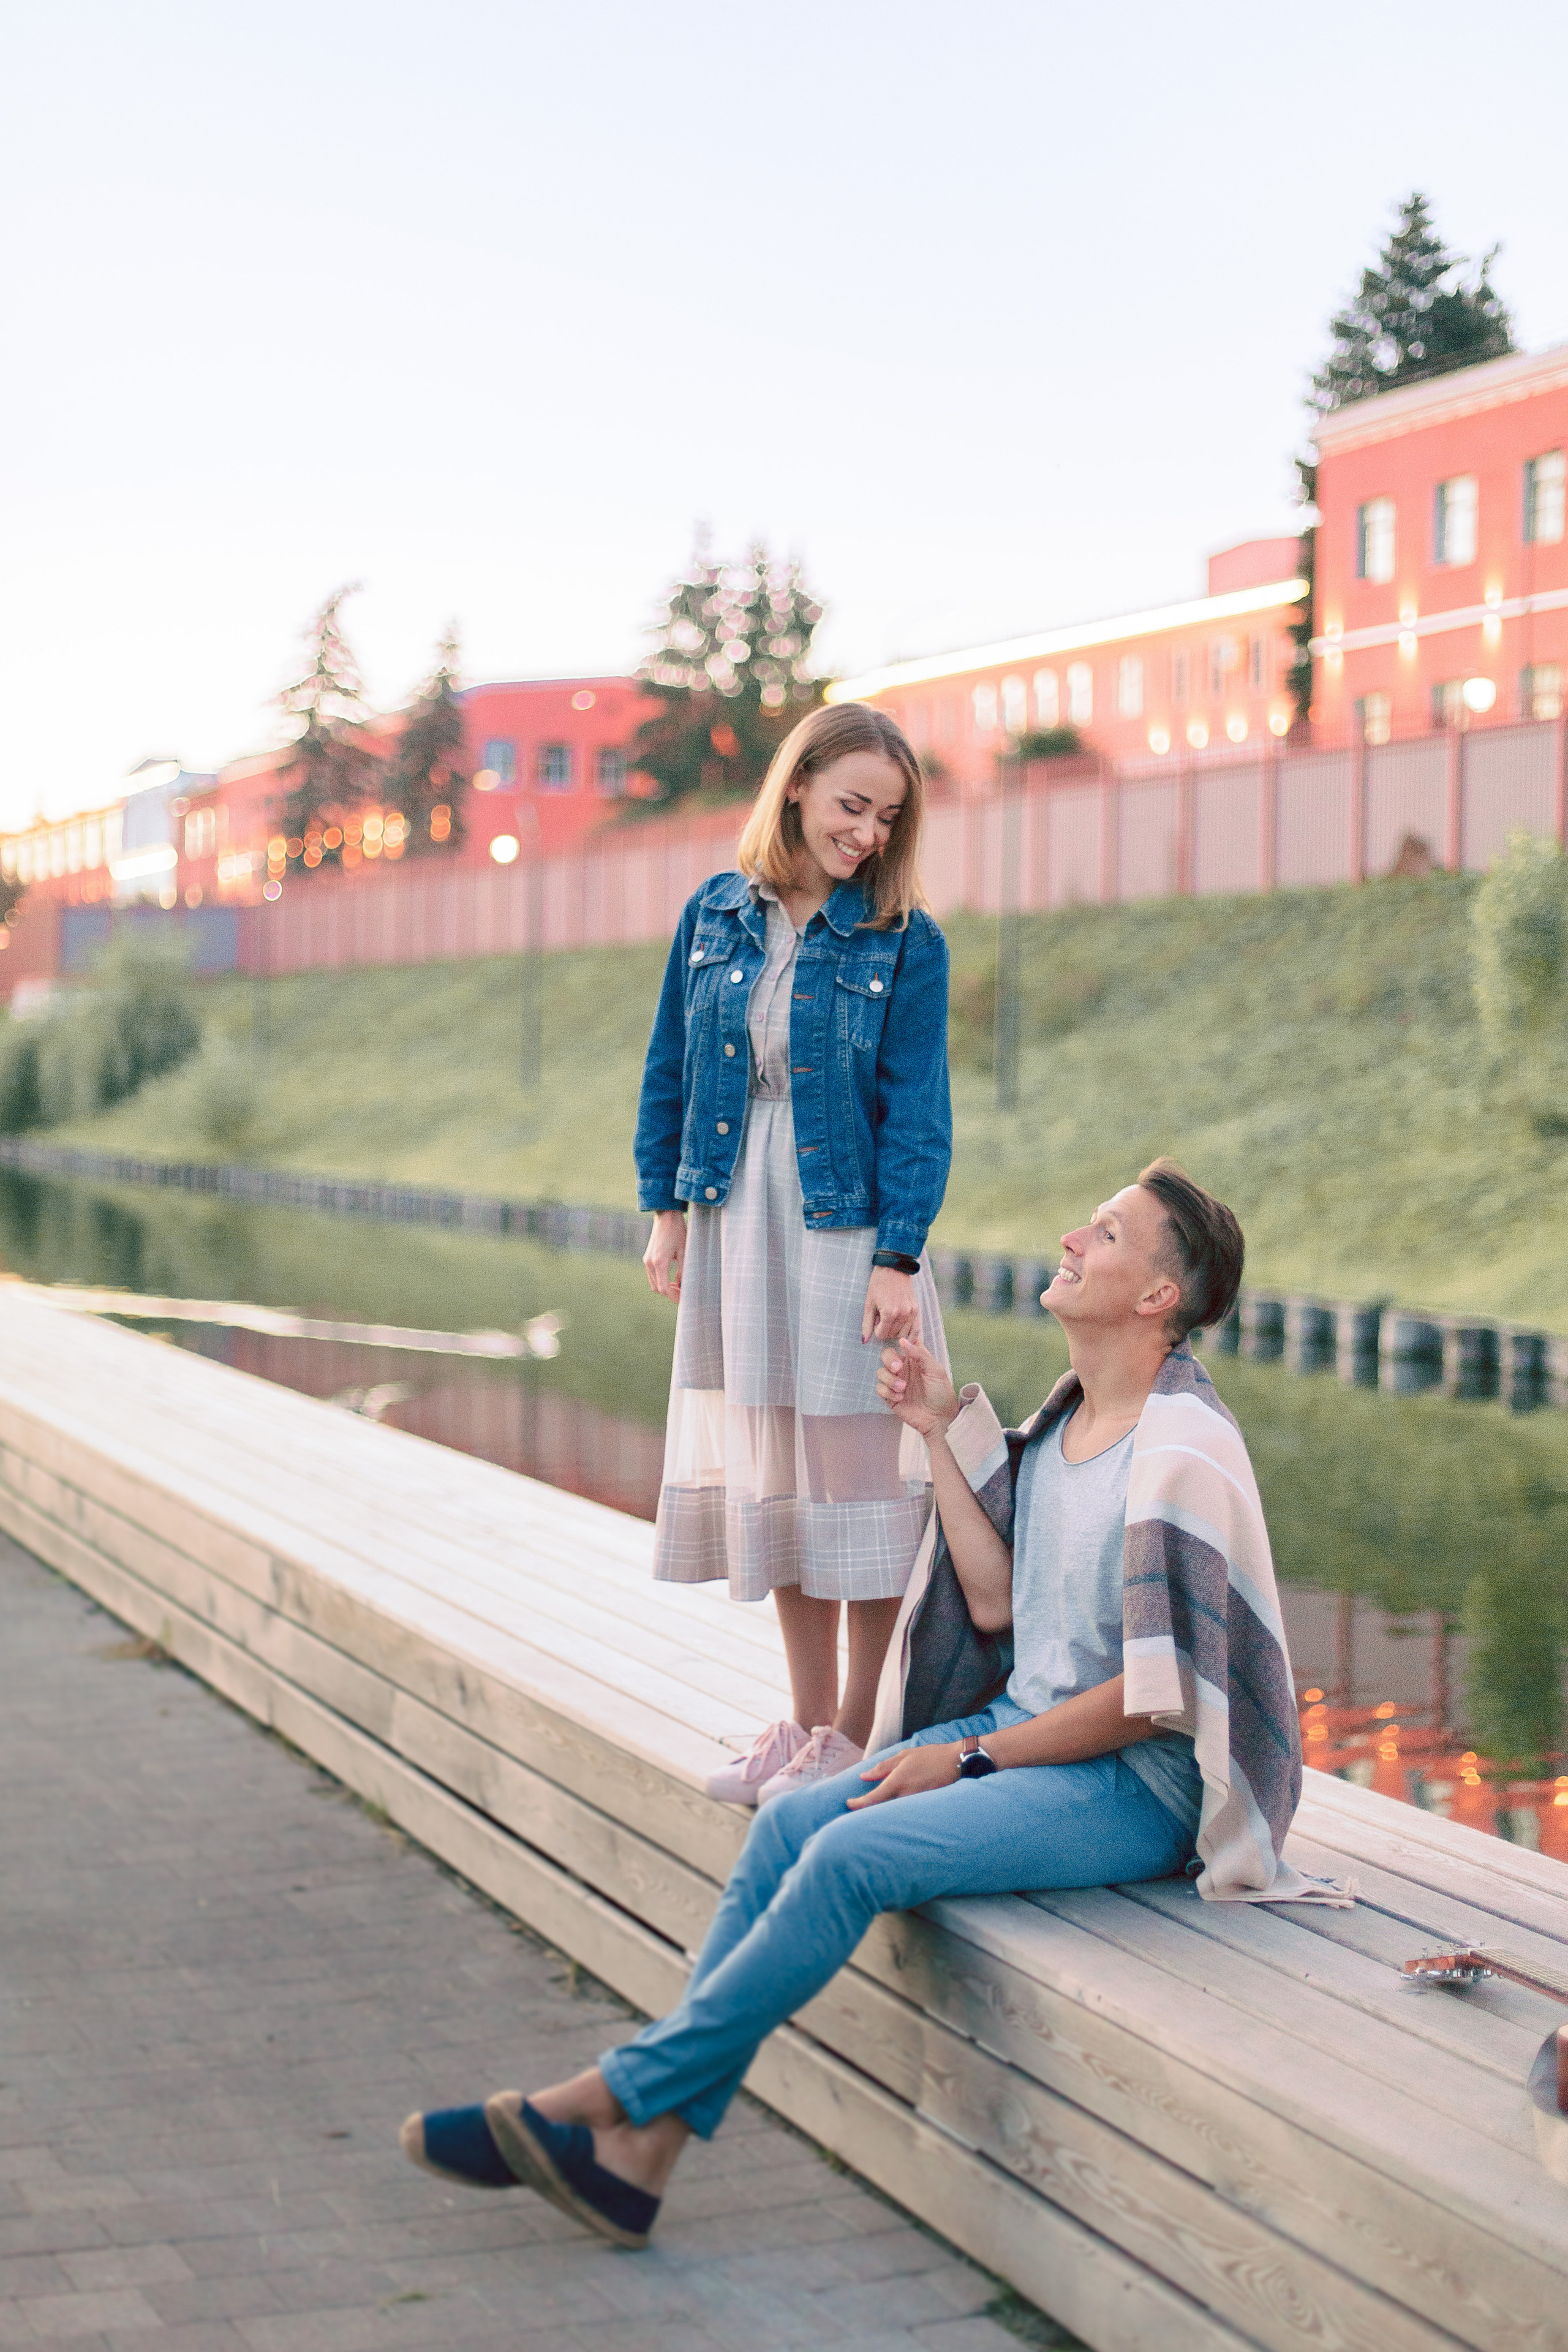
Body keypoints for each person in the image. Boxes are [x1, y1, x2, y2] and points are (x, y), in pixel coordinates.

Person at [401, 1161, 1346, 2247]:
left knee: (850, 1852)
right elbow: (994, 1604)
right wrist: (940, 1433)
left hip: (1138, 1787)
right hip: (1030, 1738)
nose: (1074, 1240)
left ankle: (609, 2099)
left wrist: (971, 1760)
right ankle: (642, 2155)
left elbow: (1152, 1698)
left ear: (1158, 1296)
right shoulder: (1067, 1422)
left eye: (1108, 1235)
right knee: (790, 1826)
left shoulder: (1183, 1449)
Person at [634, 702, 952, 1806]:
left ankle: (855, 1735)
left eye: (887, 817)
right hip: (737, 1214)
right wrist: (667, 1205)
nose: (867, 833)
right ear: (799, 785)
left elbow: (919, 1109)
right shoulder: (715, 914)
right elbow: (671, 1064)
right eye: (852, 805)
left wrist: (898, 1256)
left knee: (857, 1481)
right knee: (779, 1474)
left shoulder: (906, 940)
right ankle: (808, 1723)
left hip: (846, 1224)